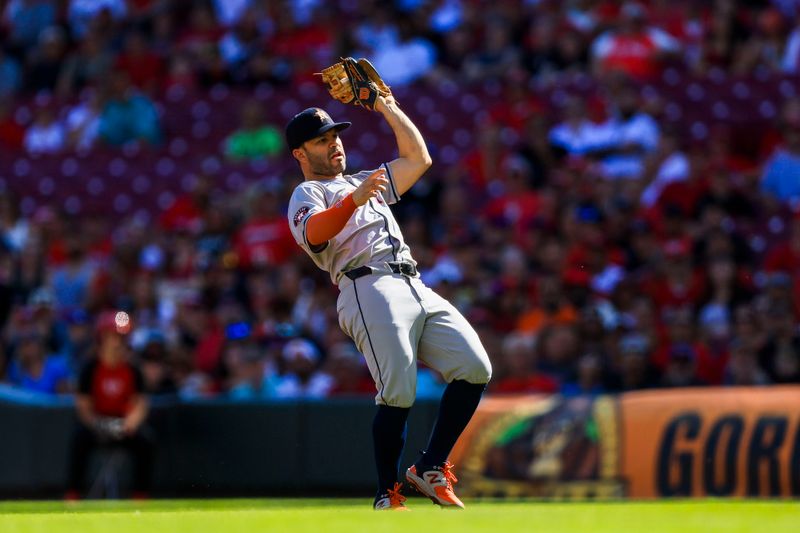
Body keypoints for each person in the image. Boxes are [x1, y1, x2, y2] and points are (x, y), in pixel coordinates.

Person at [285, 99, 492, 510]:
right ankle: (387, 493)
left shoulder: (364, 180)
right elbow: (315, 233)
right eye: (321, 140)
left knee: (474, 367)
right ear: (300, 154)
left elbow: (419, 159)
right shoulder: (307, 192)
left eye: (335, 136)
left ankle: (430, 466)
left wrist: (387, 106)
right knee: (398, 390)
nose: (334, 145)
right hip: (366, 284)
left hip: (413, 281)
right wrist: (354, 200)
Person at [66, 311, 154, 499]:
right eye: (113, 337)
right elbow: (83, 405)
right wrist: (97, 424)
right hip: (97, 425)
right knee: (78, 439)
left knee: (146, 440)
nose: (117, 343)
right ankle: (72, 495)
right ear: (102, 339)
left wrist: (130, 423)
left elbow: (140, 404)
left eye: (121, 338)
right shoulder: (90, 368)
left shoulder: (133, 369)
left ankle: (141, 496)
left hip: (123, 425)